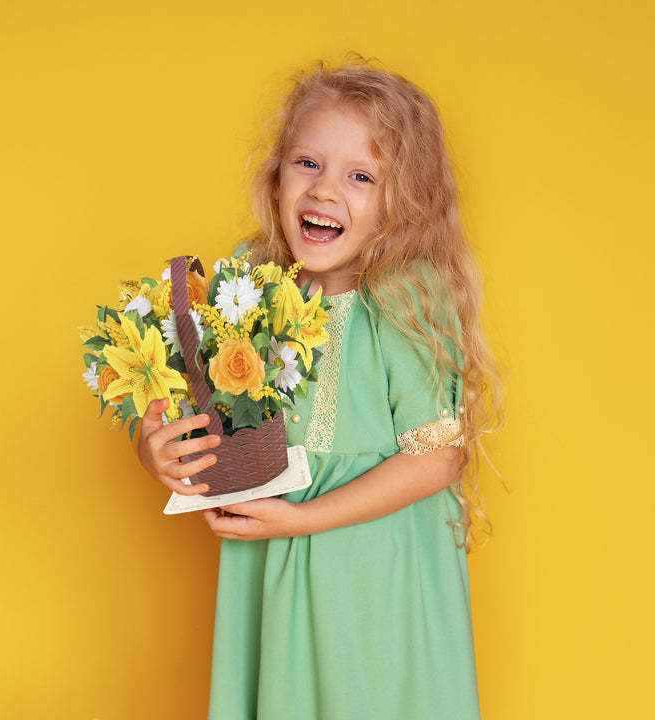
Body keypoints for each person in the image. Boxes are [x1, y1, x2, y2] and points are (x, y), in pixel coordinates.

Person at [136, 53, 504, 720]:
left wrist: (302, 520)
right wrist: (155, 446)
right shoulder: (250, 286)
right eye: (308, 163)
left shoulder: (405, 300)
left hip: (373, 581)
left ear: (404, 203)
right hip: (274, 568)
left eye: (361, 176)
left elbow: (436, 458)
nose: (325, 191)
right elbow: (202, 410)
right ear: (277, 176)